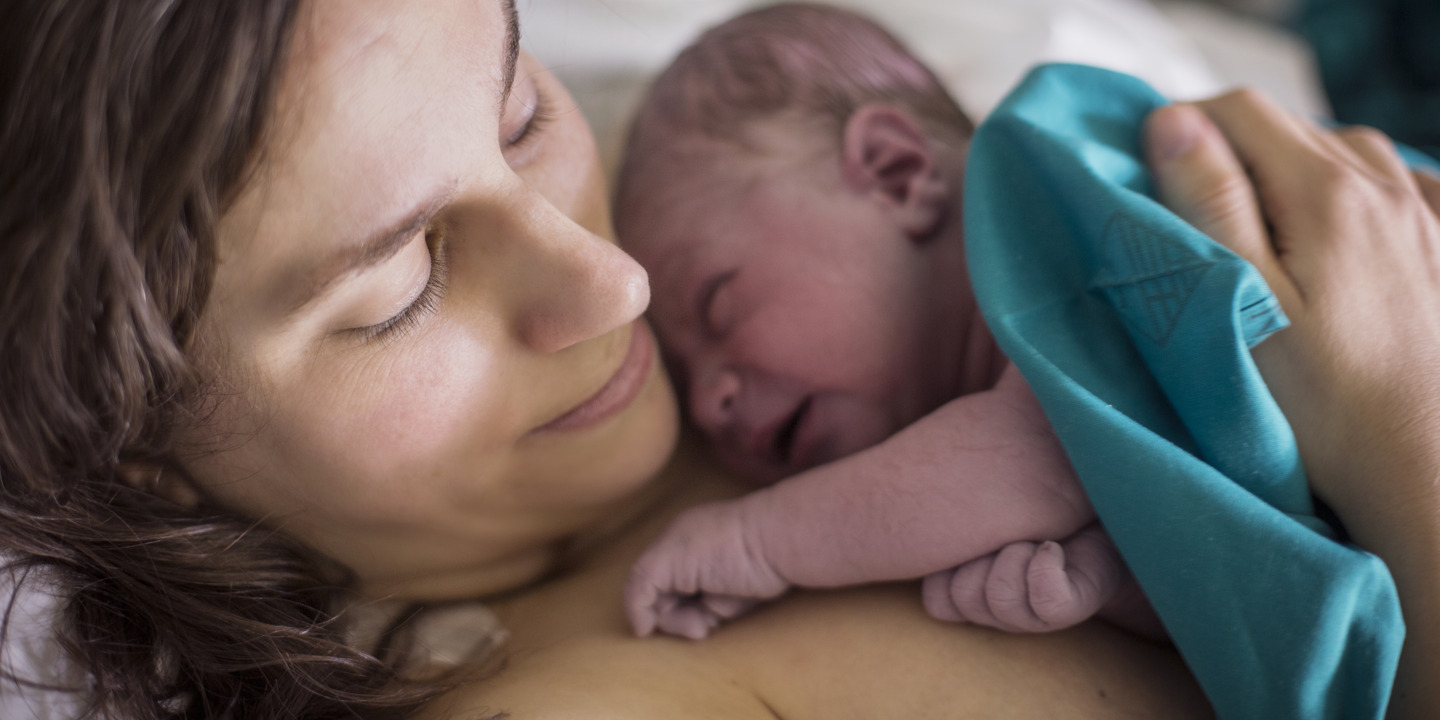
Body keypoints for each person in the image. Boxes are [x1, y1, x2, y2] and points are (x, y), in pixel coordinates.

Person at [0, 2, 1432, 719]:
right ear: (126, 431)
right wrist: (1416, 449)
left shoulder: (729, 205)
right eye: (401, 285)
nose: (616, 279)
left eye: (519, 118)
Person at [612, 3, 1146, 641]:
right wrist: (1116, 577)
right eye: (683, 373)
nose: (707, 404)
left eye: (716, 307)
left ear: (896, 176)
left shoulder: (1057, 218)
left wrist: (758, 540)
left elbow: (1042, 456)